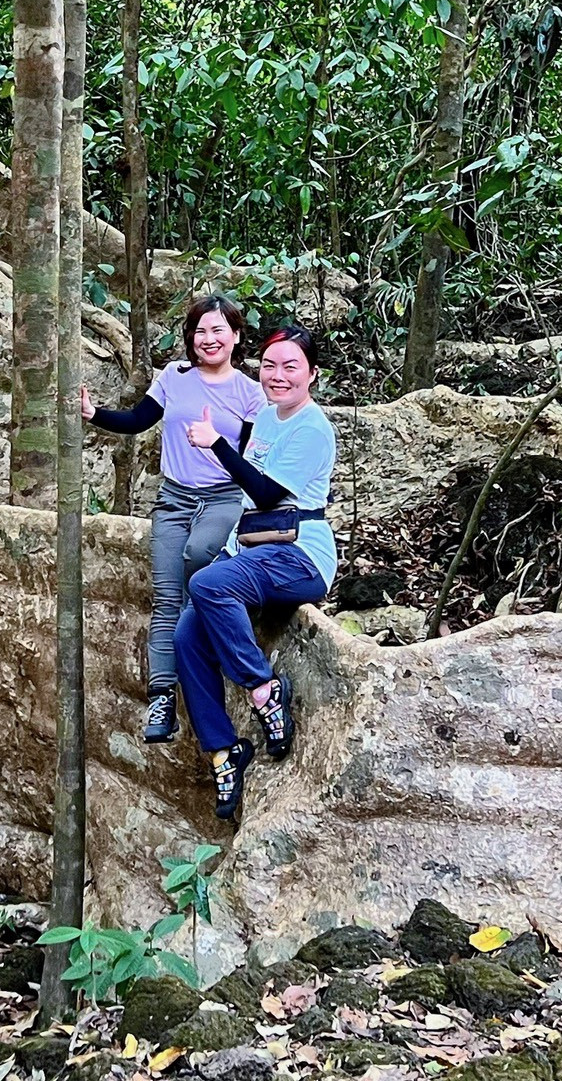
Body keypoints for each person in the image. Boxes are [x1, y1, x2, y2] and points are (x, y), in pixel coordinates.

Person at [81, 294, 268, 742]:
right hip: (174, 500)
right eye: (200, 331)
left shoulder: (250, 392)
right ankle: (162, 697)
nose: (208, 339)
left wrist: (220, 439)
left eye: (218, 330)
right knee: (167, 598)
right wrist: (93, 414)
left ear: (236, 337)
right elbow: (138, 420)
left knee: (198, 556)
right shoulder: (174, 377)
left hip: (223, 499)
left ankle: (203, 668)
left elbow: (254, 456)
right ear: (190, 338)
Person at [173, 324, 338, 824]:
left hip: (300, 557)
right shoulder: (266, 419)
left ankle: (263, 691)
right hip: (254, 548)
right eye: (270, 365)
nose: (278, 376)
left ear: (312, 374)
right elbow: (251, 503)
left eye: (291, 366)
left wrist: (217, 445)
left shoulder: (313, 427)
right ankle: (224, 753)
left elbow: (268, 494)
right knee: (186, 635)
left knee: (206, 583)